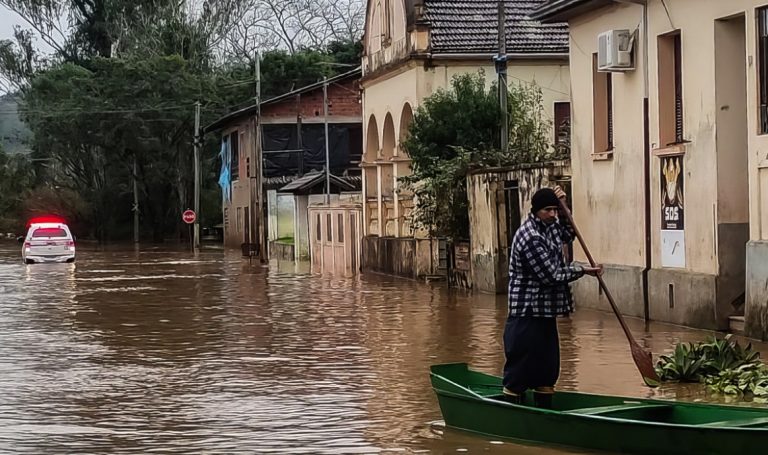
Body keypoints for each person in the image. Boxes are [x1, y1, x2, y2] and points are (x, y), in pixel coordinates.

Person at [502, 186, 602, 408]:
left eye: (555, 210)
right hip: (526, 312)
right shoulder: (530, 237)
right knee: (520, 367)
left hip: (546, 311)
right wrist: (583, 270)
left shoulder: (552, 225)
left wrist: (565, 206)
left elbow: (569, 232)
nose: (553, 214)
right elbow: (551, 275)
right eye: (548, 210)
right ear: (537, 210)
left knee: (548, 368)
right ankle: (512, 410)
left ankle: (544, 408)